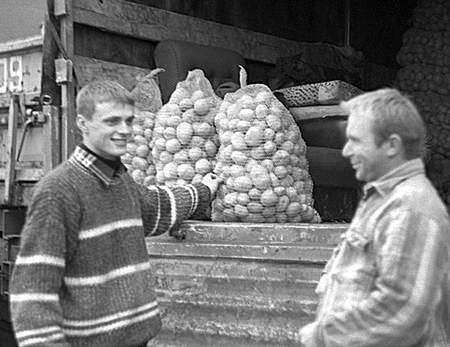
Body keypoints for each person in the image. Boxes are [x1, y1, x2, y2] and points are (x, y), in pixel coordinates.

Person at [9, 80, 219, 347]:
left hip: (137, 340)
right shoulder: (58, 191)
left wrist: (203, 190)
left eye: (128, 121)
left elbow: (157, 208)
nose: (124, 131)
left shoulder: (120, 180)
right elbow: (32, 293)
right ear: (83, 124)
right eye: (111, 122)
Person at [300, 88, 450, 346]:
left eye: (356, 141)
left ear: (391, 145)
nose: (346, 151)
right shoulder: (381, 198)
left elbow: (402, 311)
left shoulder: (410, 207)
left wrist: (323, 335)